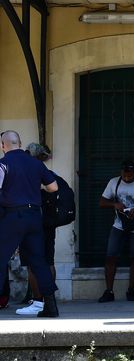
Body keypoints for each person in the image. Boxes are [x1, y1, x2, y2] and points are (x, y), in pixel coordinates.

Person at [0, 130, 59, 317]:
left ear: (3, 145)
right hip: (34, 216)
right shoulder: (36, 163)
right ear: (20, 142)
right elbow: (53, 187)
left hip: (13, 216)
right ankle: (50, 306)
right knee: (39, 261)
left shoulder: (3, 164)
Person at [98, 160, 134, 302]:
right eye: (125, 175)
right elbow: (102, 202)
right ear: (121, 172)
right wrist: (115, 204)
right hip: (119, 224)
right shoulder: (114, 182)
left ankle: (131, 290)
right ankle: (109, 291)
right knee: (110, 256)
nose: (127, 178)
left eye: (130, 176)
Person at [15, 143, 61, 315]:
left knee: (33, 265)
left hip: (33, 224)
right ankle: (49, 301)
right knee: (48, 262)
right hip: (48, 224)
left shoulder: (28, 174)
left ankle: (38, 302)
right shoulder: (49, 174)